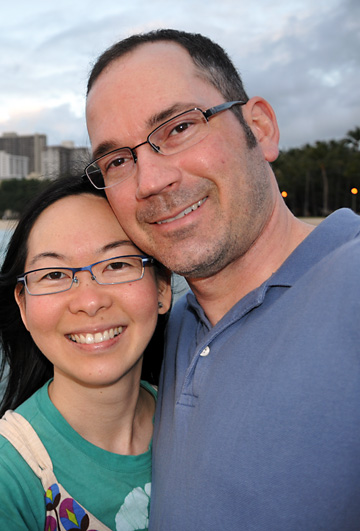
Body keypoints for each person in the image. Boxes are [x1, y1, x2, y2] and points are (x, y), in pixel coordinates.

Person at [84, 29, 360, 529]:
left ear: (260, 127)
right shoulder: (164, 328)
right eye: (119, 160)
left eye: (178, 128)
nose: (151, 181)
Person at [0, 174, 172, 531]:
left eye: (117, 264)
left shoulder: (198, 422)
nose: (89, 301)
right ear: (23, 306)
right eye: (54, 274)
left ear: (162, 286)